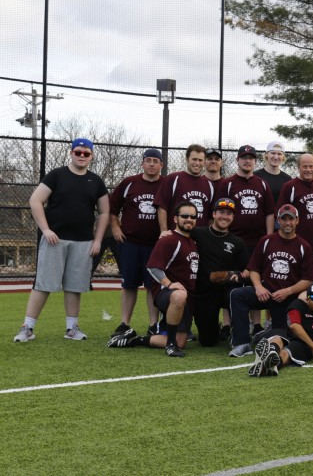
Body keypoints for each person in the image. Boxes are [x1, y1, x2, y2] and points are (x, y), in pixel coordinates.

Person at [14, 138, 109, 343]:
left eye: (86, 153)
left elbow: (104, 213)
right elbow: (35, 200)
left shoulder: (96, 181)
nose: (82, 156)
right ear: (71, 153)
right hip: (54, 240)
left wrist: (98, 240)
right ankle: (27, 327)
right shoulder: (57, 175)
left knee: (75, 286)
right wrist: (46, 229)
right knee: (43, 284)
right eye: (78, 152)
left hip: (84, 242)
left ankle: (71, 328)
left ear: (91, 156)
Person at [107, 201, 199, 357]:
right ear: (175, 219)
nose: (189, 219)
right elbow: (152, 267)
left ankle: (135, 340)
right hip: (168, 294)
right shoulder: (168, 240)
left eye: (193, 216)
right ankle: (170, 345)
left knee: (181, 341)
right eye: (184, 216)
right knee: (179, 294)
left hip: (187, 298)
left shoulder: (193, 243)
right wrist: (169, 284)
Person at [228, 204, 313, 357]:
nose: (287, 223)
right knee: (237, 295)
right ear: (278, 221)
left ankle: (265, 334)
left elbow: (308, 280)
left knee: (282, 334)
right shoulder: (266, 241)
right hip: (266, 291)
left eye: (291, 219)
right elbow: (254, 269)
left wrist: (288, 291)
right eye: (284, 219)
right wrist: (258, 287)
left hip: (288, 297)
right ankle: (242, 343)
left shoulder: (304, 246)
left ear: (297, 221)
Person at [107, 148, 164, 337]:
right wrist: (115, 227)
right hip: (130, 242)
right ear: (142, 163)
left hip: (155, 245)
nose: (152, 164)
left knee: (152, 285)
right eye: (148, 160)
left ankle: (153, 324)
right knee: (129, 284)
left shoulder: (166, 184)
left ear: (161, 165)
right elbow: (112, 208)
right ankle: (124, 323)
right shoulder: (129, 183)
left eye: (156, 161)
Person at [191, 198, 249, 346]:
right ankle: (214, 328)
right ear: (214, 214)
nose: (225, 216)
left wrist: (228, 276)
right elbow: (178, 235)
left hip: (226, 291)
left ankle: (234, 330)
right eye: (221, 212)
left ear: (233, 217)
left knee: (236, 295)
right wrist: (165, 233)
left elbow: (246, 271)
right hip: (204, 293)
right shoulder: (198, 233)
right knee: (208, 341)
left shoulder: (237, 242)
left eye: (229, 213)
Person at [248, 283, 313, 377]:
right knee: (279, 337)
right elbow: (294, 326)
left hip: (303, 345)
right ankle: (270, 353)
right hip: (288, 333)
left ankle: (267, 367)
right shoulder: (299, 305)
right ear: (307, 299)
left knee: (285, 353)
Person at [217, 144, 276, 253]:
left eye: (251, 158)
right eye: (244, 158)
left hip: (257, 241)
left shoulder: (262, 184)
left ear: (255, 161)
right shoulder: (227, 184)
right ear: (237, 160)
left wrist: (269, 238)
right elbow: (220, 213)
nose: (247, 161)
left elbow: (269, 213)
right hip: (232, 240)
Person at [155, 144, 215, 229]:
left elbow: (210, 216)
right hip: (176, 236)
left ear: (204, 162)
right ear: (187, 159)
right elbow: (162, 207)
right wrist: (164, 231)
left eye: (200, 160)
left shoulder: (210, 185)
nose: (197, 163)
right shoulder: (173, 179)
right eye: (194, 159)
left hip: (199, 238)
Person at [277, 153, 313, 246]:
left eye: (311, 166)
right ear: (298, 167)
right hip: (296, 241)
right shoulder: (289, 186)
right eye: (305, 166)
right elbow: (281, 215)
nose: (308, 170)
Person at [254, 140, 292, 207]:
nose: (276, 157)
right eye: (273, 153)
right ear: (266, 154)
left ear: (283, 156)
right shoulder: (256, 176)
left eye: (279, 154)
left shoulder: (287, 179)